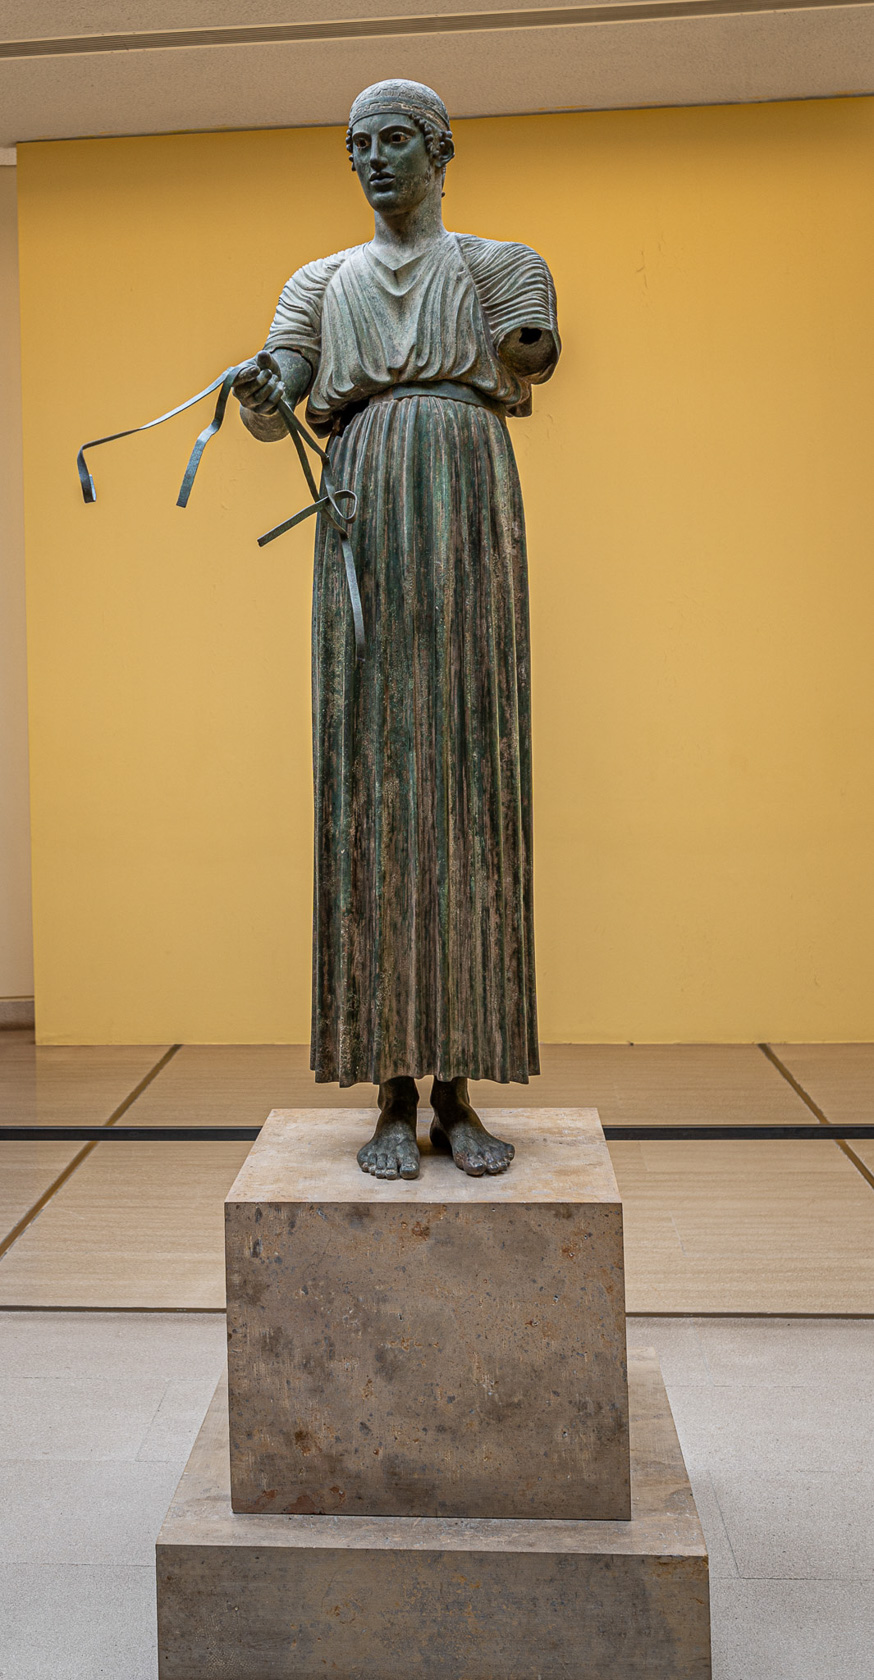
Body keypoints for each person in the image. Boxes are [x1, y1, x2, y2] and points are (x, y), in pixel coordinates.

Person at [233, 79, 560, 1181]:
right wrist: (260, 390)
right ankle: (388, 1090)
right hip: (365, 503)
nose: (374, 159)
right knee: (372, 782)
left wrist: (522, 346)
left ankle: (458, 1092)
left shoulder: (500, 264)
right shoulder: (320, 282)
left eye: (394, 140)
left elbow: (531, 351)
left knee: (467, 774)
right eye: (358, 145)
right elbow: (282, 386)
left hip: (467, 496)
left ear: (441, 150)